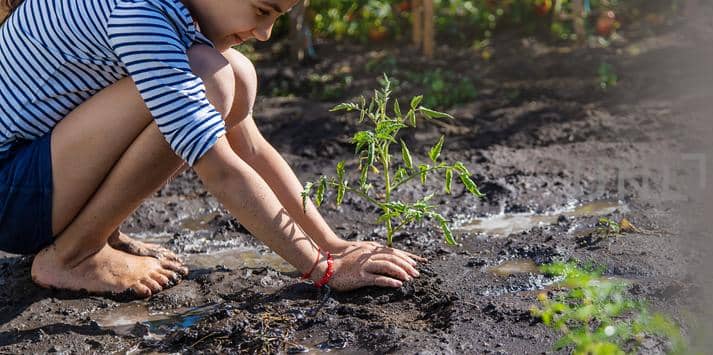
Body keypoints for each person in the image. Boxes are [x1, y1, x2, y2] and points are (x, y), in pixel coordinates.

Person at [0, 0, 423, 297]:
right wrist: (323, 271)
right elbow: (220, 169)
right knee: (209, 76)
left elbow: (251, 149)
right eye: (262, 10)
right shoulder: (138, 13)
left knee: (234, 72)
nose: (263, 33)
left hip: (36, 182)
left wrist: (333, 246)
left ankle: (94, 234)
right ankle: (75, 254)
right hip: (10, 198)